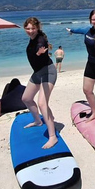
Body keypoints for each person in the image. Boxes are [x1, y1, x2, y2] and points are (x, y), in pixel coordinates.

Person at [21, 17, 59, 149]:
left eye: (33, 28)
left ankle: (52, 137)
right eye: (28, 28)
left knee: (42, 103)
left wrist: (39, 53)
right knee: (26, 98)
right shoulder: (32, 39)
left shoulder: (41, 39)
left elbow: (41, 46)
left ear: (38, 28)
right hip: (38, 73)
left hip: (48, 72)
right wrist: (37, 53)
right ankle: (38, 121)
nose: (30, 31)